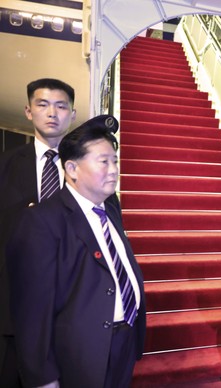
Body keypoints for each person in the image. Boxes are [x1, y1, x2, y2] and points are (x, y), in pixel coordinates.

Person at [6, 115, 146, 388]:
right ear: (71, 168)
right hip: (77, 358)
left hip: (123, 343)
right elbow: (31, 312)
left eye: (115, 161)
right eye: (103, 161)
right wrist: (42, 378)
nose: (114, 169)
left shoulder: (111, 210)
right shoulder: (41, 221)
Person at [0, 78, 77, 387]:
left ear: (72, 114)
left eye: (61, 106)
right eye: (43, 105)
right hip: (11, 305)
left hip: (67, 306)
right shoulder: (5, 166)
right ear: (28, 111)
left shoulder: (84, 169)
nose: (52, 113)